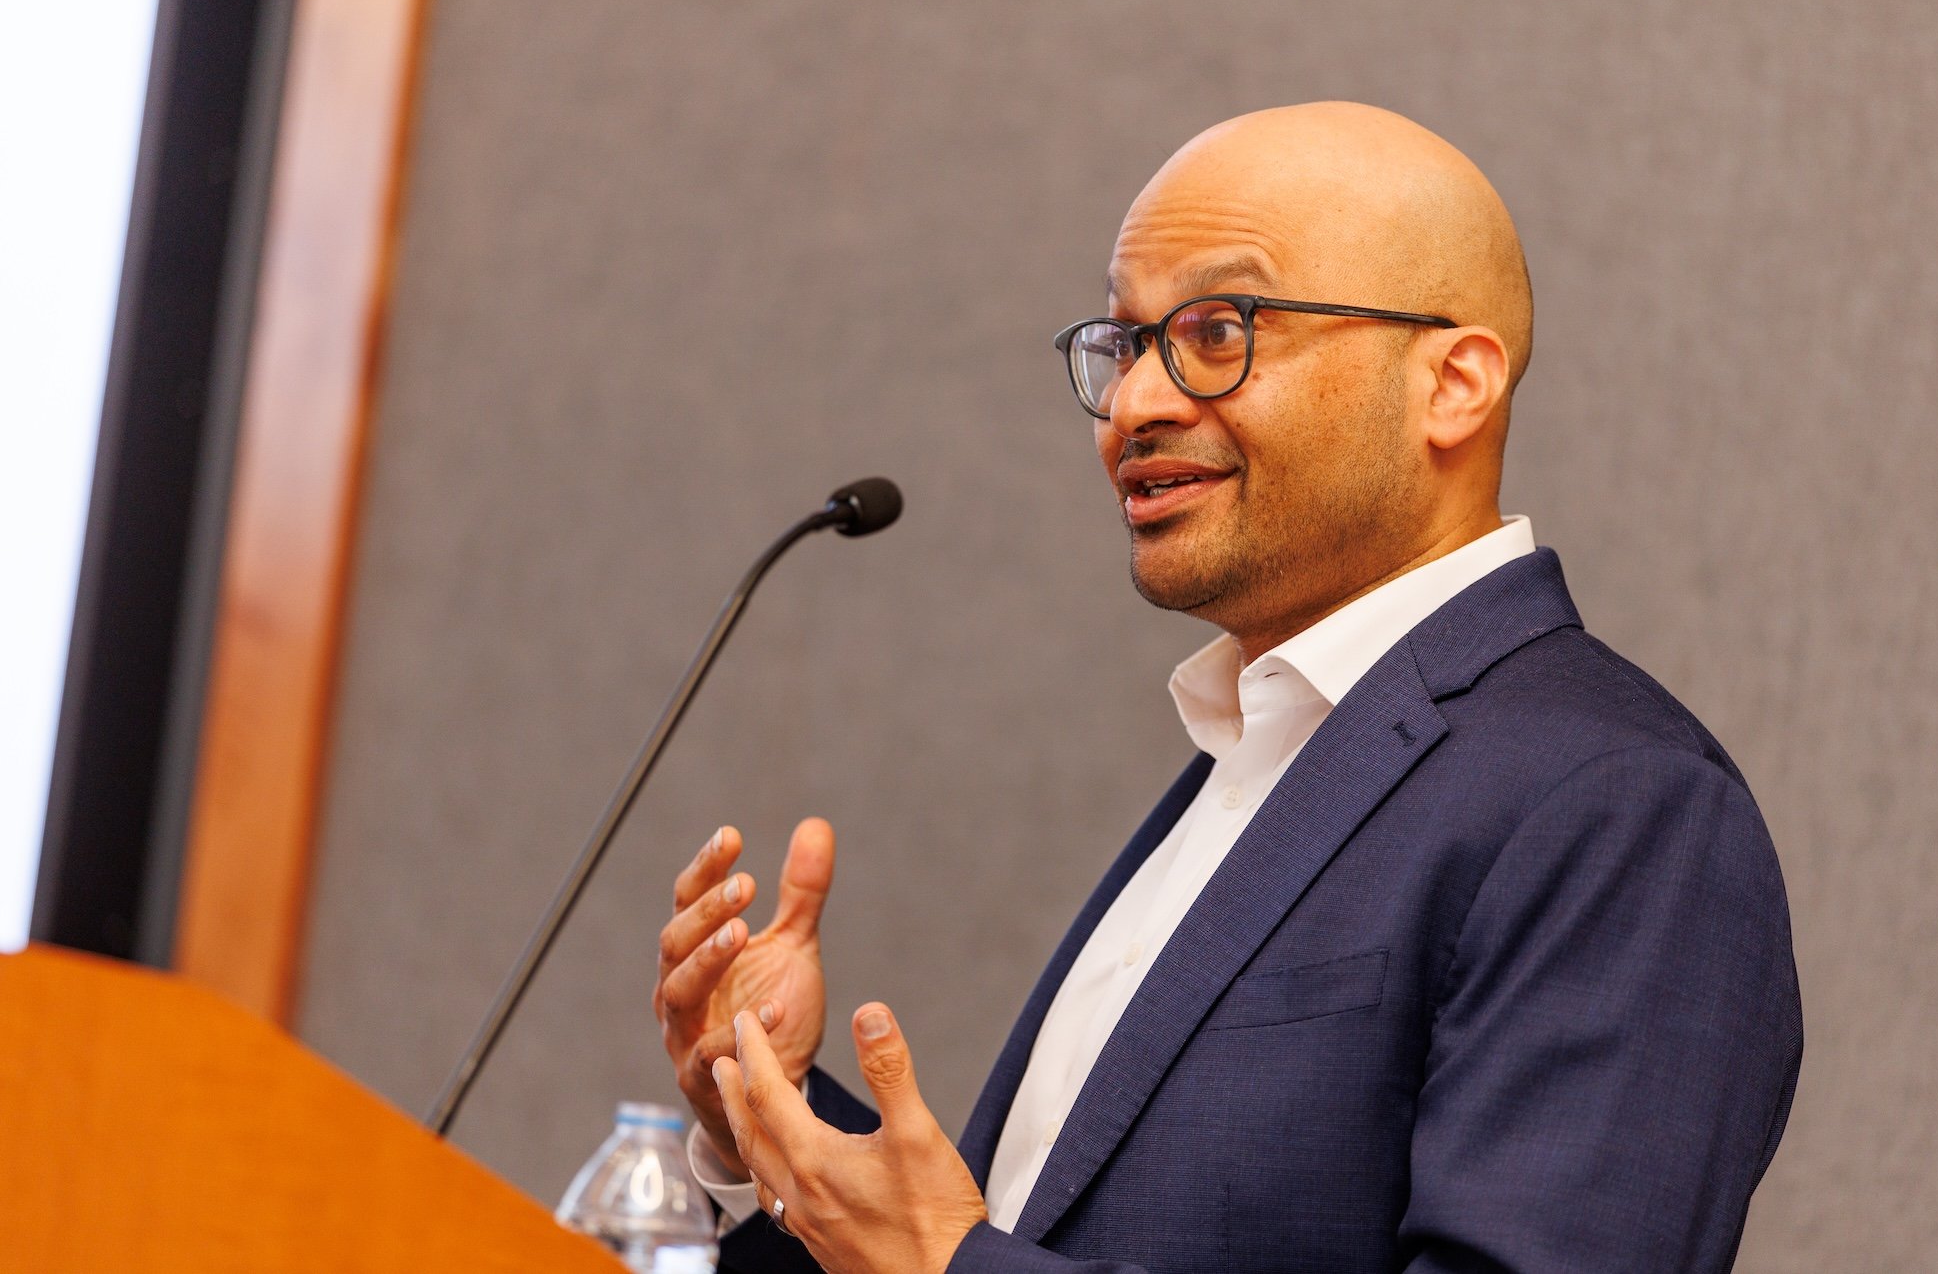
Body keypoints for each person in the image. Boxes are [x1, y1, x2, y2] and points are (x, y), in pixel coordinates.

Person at [651, 102, 1802, 1273]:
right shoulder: (1263, 749)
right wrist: (773, 1123)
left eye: (1217, 331)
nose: (1136, 405)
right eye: (1123, 343)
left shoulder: (1618, 806)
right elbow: (1020, 1243)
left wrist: (952, 1263)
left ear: (1451, 384)